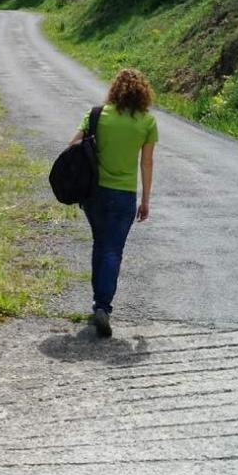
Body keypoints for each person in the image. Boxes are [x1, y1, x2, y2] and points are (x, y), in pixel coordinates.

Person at [68, 68, 157, 338]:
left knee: (100, 243)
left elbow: (72, 146)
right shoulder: (147, 122)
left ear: (114, 90)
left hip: (94, 193)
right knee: (112, 250)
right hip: (124, 195)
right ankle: (103, 307)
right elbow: (147, 162)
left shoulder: (97, 115)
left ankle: (99, 304)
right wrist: (146, 200)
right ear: (143, 93)